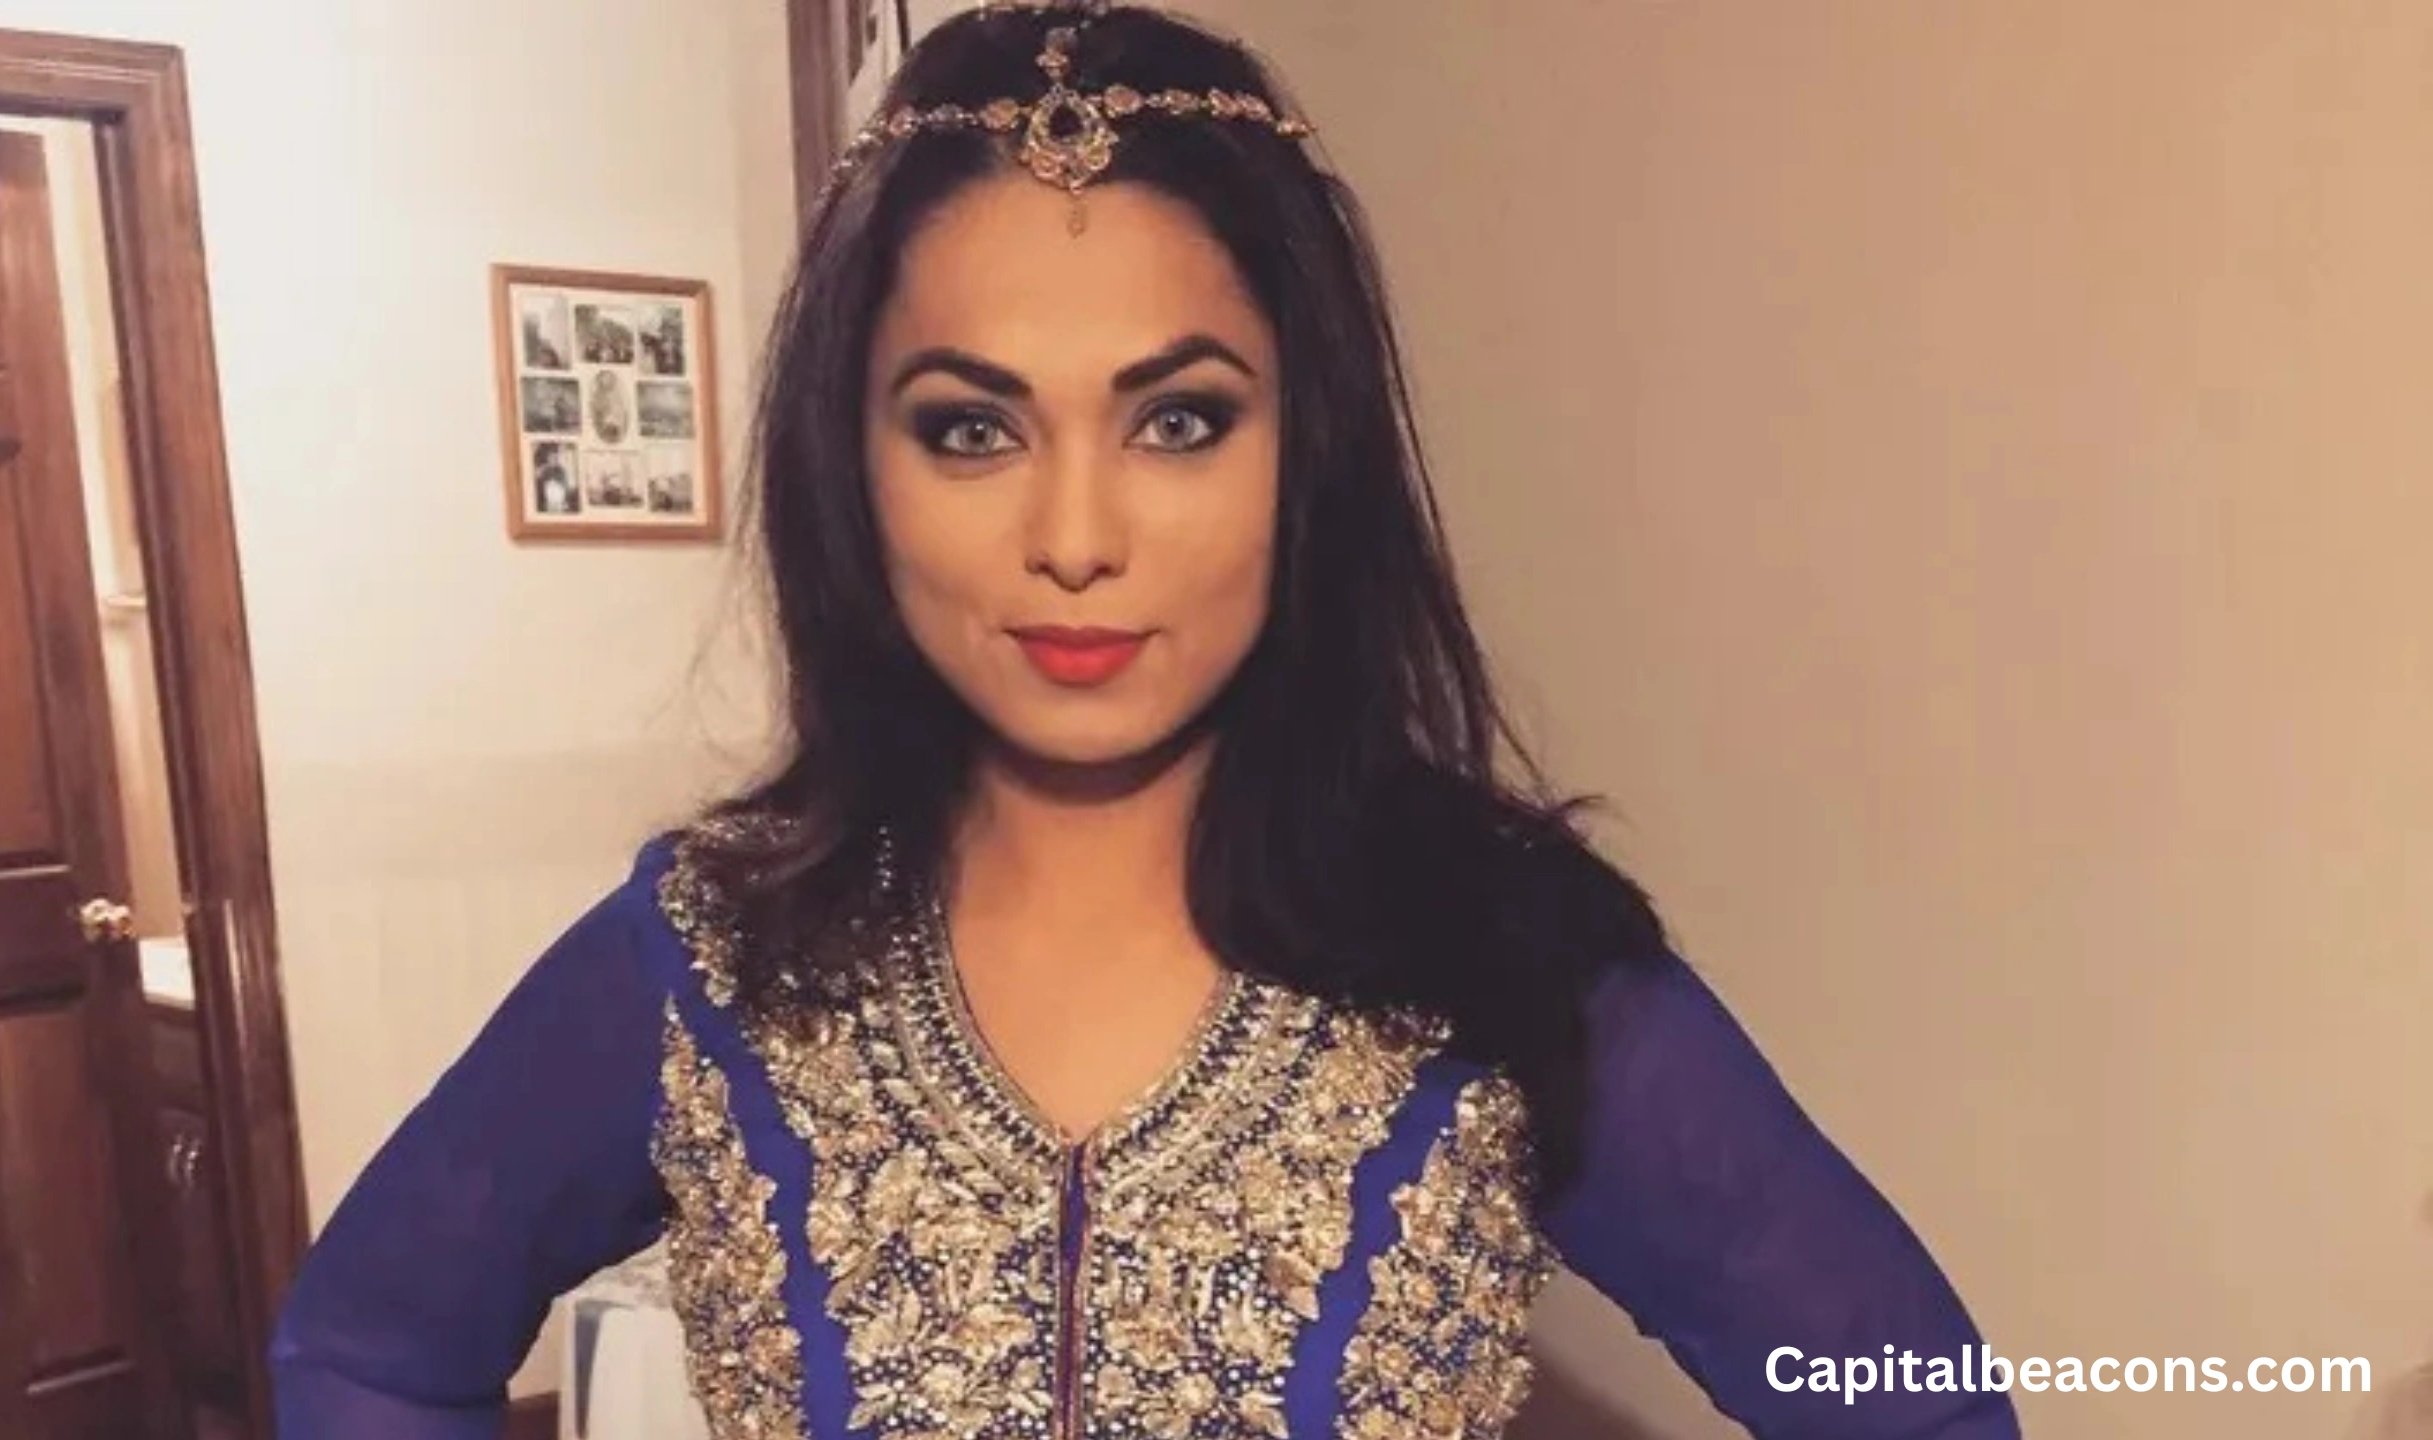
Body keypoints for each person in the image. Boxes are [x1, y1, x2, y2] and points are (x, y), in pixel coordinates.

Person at [268, 3, 2022, 1437]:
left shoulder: (1500, 960)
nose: (1077, 536)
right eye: (972, 428)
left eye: (1178, 422)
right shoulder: (716, 960)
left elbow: (1914, 1402)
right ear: (852, 467)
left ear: (1305, 450)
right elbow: (367, 1349)